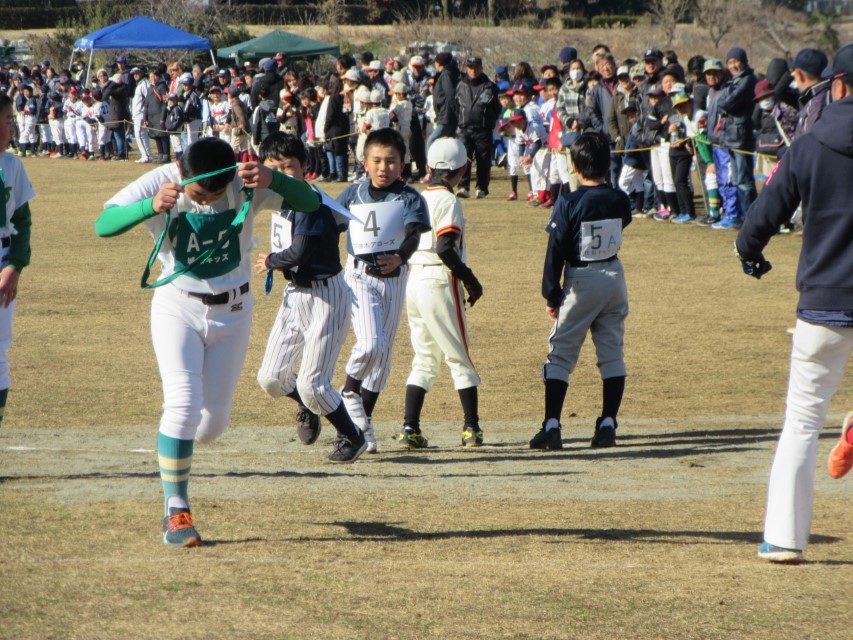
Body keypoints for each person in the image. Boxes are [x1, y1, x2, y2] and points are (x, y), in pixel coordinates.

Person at [95, 137, 323, 547]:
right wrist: (149, 207)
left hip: (233, 311)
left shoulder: (242, 181)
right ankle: (176, 511)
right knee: (182, 403)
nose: (208, 201)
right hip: (177, 306)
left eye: (216, 194)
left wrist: (274, 179)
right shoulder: (162, 179)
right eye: (200, 194)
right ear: (182, 172)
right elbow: (104, 224)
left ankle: (179, 446)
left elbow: (311, 202)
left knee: (212, 426)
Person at [734, 43, 853, 563]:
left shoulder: (807, 146)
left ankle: (785, 538)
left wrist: (749, 253)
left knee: (802, 422)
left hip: (824, 300)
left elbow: (762, 217)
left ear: (839, 86)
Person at [254, 132, 367, 462]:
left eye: (288, 166)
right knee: (271, 378)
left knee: (313, 384)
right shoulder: (280, 201)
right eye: (273, 168)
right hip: (294, 294)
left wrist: (271, 261)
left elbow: (299, 252)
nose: (281, 174)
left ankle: (352, 435)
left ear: (304, 166)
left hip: (325, 297)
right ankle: (308, 407)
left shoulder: (309, 200)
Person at [531, 131, 631, 451]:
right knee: (612, 353)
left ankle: (551, 426)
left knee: (561, 352)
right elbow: (623, 220)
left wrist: (552, 294)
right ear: (608, 164)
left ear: (574, 166)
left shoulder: (569, 201)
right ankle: (608, 423)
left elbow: (556, 249)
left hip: (582, 278)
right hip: (613, 276)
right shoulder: (619, 198)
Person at [337, 128, 431, 453]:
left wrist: (400, 257)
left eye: (391, 161)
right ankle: (349, 390)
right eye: (376, 160)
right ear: (364, 162)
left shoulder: (409, 197)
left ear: (403, 164)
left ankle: (361, 426)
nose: (383, 167)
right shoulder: (352, 194)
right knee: (371, 343)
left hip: (394, 278)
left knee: (383, 358)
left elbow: (414, 234)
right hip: (358, 275)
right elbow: (329, 224)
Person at [401, 137, 483, 449]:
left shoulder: (418, 197)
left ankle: (410, 428)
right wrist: (470, 280)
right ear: (463, 169)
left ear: (428, 167)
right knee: (458, 355)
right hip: (438, 277)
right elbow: (446, 248)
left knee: (424, 358)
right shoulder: (449, 201)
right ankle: (471, 427)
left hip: (414, 278)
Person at [0, 93, 33, 427]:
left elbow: (22, 221)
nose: (13, 126)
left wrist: (15, 266)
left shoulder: (12, 166)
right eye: (7, 120)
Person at [455, 57, 500, 199]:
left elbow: (497, 108)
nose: (473, 71)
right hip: (464, 128)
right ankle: (463, 186)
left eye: (476, 67)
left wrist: (488, 122)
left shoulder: (489, 86)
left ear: (481, 68)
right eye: (470, 67)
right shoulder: (460, 85)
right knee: (463, 157)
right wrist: (460, 121)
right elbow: (456, 106)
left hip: (483, 129)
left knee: (483, 159)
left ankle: (481, 187)